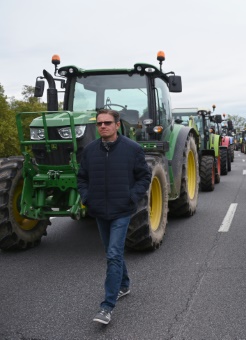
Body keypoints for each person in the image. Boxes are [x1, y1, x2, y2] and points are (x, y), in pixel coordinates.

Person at [77, 109, 151, 325]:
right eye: (99, 123)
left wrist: (132, 198)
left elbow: (144, 177)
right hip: (99, 210)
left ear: (117, 125)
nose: (103, 127)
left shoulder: (133, 149)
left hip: (122, 209)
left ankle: (107, 307)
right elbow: (82, 178)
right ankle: (125, 285)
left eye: (107, 123)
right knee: (113, 251)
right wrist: (87, 198)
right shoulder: (90, 151)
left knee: (113, 254)